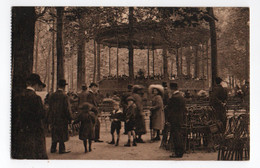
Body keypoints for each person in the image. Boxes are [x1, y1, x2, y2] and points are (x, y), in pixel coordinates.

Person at [12, 73, 48, 159]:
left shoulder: (17, 97)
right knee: (34, 154)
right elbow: (41, 115)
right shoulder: (36, 98)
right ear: (35, 84)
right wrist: (45, 108)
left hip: (20, 130)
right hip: (34, 130)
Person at [48, 79, 72, 154]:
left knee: (54, 132)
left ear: (57, 86)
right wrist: (70, 118)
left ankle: (53, 148)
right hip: (62, 117)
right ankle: (62, 149)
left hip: (54, 117)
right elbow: (67, 108)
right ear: (64, 87)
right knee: (62, 133)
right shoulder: (65, 96)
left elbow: (50, 107)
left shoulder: (52, 95)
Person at [167, 83, 186, 158]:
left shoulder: (174, 97)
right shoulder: (181, 96)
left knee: (176, 136)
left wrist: (168, 119)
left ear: (172, 89)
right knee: (179, 134)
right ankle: (180, 151)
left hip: (174, 119)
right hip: (180, 118)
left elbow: (170, 109)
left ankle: (177, 152)